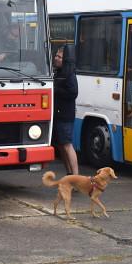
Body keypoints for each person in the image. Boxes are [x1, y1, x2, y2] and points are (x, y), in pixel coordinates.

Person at [52, 45, 79, 175]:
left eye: (59, 57)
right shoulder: (58, 72)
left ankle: (75, 176)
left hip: (65, 115)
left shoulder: (69, 74)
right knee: (61, 146)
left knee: (67, 145)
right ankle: (69, 174)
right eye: (56, 55)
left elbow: (73, 93)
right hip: (57, 114)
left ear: (65, 59)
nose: (56, 58)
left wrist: (57, 90)